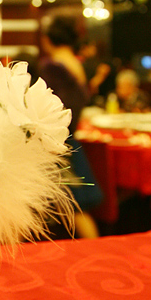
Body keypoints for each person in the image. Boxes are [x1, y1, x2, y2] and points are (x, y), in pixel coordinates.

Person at [39, 16, 102, 239]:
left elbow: (46, 107)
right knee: (74, 207)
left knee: (74, 208)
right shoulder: (77, 65)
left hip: (55, 143)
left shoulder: (52, 66)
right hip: (70, 138)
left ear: (48, 40)